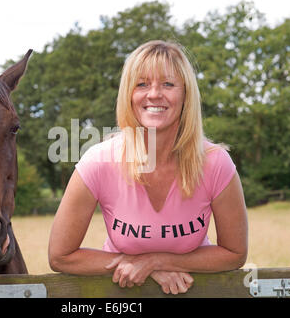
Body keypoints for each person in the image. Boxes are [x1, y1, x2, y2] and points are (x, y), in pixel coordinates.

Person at [48, 40, 248, 295]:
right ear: (128, 94)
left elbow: (235, 253)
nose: (154, 94)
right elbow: (60, 256)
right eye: (142, 84)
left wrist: (156, 261)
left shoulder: (216, 163)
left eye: (168, 84)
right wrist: (133, 265)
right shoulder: (98, 161)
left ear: (186, 94)